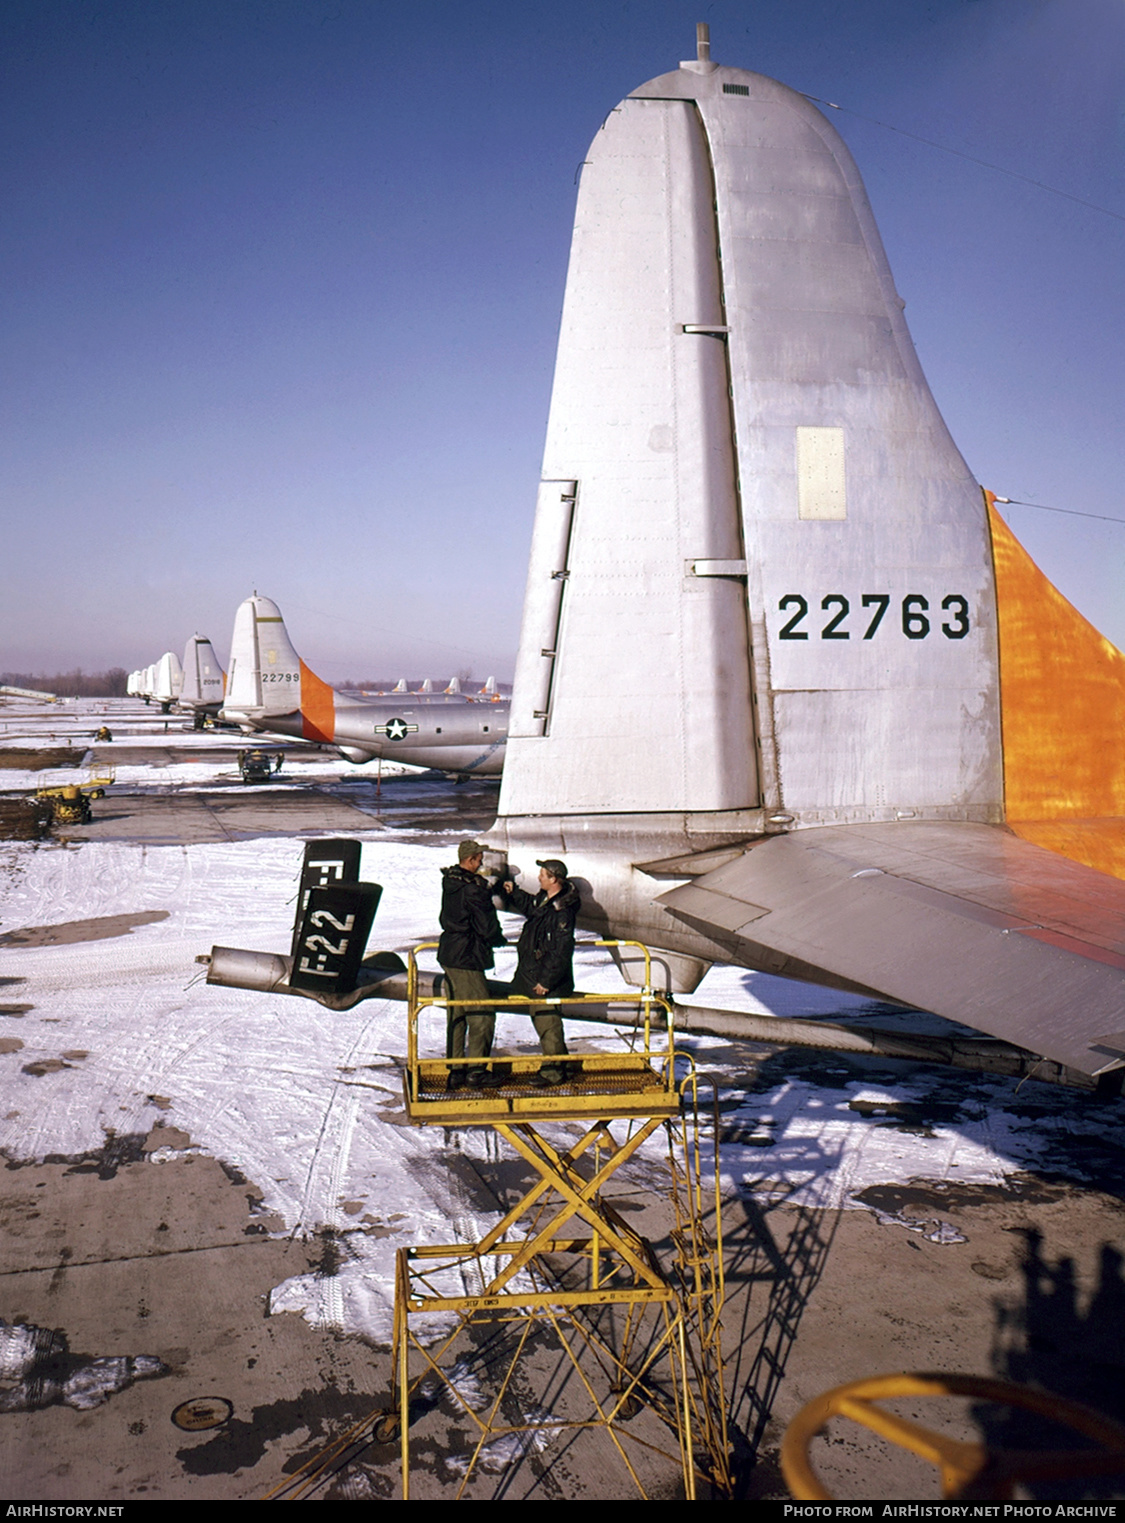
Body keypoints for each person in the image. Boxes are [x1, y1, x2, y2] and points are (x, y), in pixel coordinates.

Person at [499, 859, 579, 1088]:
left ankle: (554, 1072)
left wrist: (546, 981)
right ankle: (561, 1064)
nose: (539, 878)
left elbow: (561, 950)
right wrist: (514, 893)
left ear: (553, 879)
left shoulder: (562, 911)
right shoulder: (547, 900)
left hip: (545, 978)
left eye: (542, 875)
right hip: (533, 973)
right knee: (543, 1020)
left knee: (547, 1021)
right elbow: (532, 908)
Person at [438, 840, 506, 1090]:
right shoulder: (473, 889)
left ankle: (456, 1070)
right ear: (471, 860)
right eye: (479, 859)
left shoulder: (451, 882)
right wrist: (497, 938)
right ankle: (477, 1071)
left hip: (450, 954)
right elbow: (486, 926)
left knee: (458, 1013)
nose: (481, 864)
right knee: (482, 1014)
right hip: (467, 956)